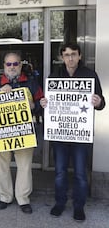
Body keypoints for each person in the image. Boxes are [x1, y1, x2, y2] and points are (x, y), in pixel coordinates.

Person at [40, 43, 105, 222]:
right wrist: (44, 104)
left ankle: (79, 207)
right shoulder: (54, 76)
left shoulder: (90, 76)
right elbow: (48, 105)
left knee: (80, 173)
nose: (70, 58)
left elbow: (102, 104)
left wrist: (98, 101)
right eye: (67, 55)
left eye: (73, 54)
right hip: (60, 134)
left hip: (80, 134)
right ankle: (60, 203)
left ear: (80, 56)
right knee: (60, 172)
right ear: (62, 57)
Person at [0, 52, 43, 214]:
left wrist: (34, 106)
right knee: (1, 165)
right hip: (2, 132)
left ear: (20, 65)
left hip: (24, 131)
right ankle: (5, 197)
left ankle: (23, 199)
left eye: (15, 64)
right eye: (8, 64)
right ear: (4, 66)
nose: (12, 67)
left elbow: (42, 102)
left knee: (24, 166)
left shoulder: (31, 83)